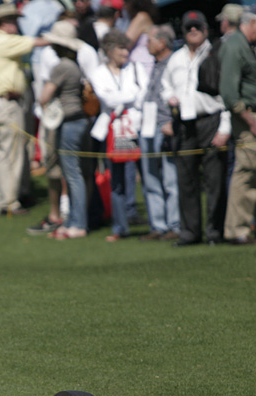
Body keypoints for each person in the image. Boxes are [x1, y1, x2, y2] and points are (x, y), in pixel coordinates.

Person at [161, 9, 229, 247]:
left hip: (211, 119)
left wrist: (225, 127)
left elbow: (226, 94)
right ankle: (190, 232)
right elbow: (165, 85)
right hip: (184, 123)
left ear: (205, 30)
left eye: (197, 27)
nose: (193, 31)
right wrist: (170, 98)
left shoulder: (215, 53)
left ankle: (214, 232)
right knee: (186, 179)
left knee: (214, 179)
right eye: (189, 28)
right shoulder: (176, 58)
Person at [0, 3, 49, 217]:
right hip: (8, 105)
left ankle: (0, 200)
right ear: (5, 23)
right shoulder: (4, 41)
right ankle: (10, 202)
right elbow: (37, 42)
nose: (17, 24)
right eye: (13, 20)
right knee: (12, 154)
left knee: (1, 154)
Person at [219, 11, 256, 245]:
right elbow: (228, 91)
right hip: (248, 118)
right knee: (247, 171)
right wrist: (248, 118)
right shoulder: (235, 45)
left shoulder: (248, 44)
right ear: (253, 22)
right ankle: (237, 230)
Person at [33, 20, 89, 239]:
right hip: (80, 120)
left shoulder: (61, 67)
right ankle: (76, 220)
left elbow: (43, 96)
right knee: (78, 174)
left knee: (72, 175)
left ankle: (77, 224)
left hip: (69, 122)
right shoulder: (74, 65)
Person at [91, 30, 141, 242]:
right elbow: (107, 98)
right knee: (117, 181)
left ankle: (160, 226)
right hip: (110, 131)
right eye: (121, 48)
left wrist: (122, 100)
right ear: (110, 51)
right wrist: (127, 98)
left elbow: (141, 95)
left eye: (126, 47)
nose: (125, 52)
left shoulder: (135, 68)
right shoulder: (98, 73)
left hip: (136, 129)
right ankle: (120, 226)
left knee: (145, 176)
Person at [137, 24, 179, 241]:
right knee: (151, 177)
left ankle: (174, 224)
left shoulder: (174, 63)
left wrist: (172, 122)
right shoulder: (155, 64)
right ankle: (158, 225)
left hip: (164, 126)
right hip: (148, 126)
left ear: (162, 42)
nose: (146, 44)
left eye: (150, 39)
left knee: (170, 178)